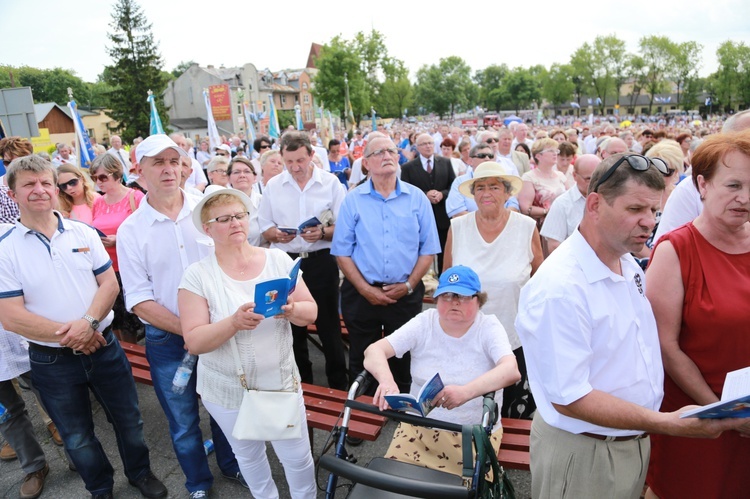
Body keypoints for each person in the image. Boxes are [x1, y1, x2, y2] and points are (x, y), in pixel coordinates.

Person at [515, 153, 748, 499]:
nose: (649, 222)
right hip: (586, 452)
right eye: (635, 210)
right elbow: (570, 397)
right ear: (594, 205)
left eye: (654, 211)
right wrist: (667, 423)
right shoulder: (559, 287)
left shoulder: (628, 265)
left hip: (626, 442)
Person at [0, 155, 167, 499]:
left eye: (46, 182)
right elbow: (11, 316)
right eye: (29, 184)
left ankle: (140, 473)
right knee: (76, 434)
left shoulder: (82, 232)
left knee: (129, 420)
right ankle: (100, 488)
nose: (40, 190)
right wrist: (75, 334)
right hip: (51, 360)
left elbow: (109, 285)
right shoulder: (5, 249)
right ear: (12, 193)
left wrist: (88, 324)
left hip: (104, 346)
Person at [117, 135, 246, 498]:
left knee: (225, 407)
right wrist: (189, 330)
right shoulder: (131, 230)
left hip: (219, 331)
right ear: (138, 171)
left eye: (174, 161)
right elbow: (139, 301)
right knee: (183, 420)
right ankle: (198, 484)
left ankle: (232, 465)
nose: (169, 169)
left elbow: (234, 259)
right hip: (168, 339)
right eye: (158, 162)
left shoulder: (206, 209)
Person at [178, 188, 317, 499]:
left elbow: (311, 312)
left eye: (239, 215)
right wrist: (233, 323)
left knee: (297, 459)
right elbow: (194, 341)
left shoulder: (278, 259)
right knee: (249, 457)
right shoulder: (197, 276)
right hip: (227, 388)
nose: (235, 223)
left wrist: (292, 311)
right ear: (207, 229)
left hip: (279, 381)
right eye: (224, 219)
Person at [645, 131, 750, 499]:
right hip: (701, 424)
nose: (746, 198)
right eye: (734, 184)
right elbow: (665, 346)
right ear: (701, 184)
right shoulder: (676, 250)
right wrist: (721, 413)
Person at [364, 265, 520, 474]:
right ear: (436, 300)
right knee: (396, 483)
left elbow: (511, 370)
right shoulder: (424, 322)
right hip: (418, 428)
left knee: (461, 490)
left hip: (471, 433)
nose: (454, 302)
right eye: (446, 295)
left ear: (478, 300)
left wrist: (466, 392)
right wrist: (386, 380)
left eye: (463, 296)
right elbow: (374, 350)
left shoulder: (488, 327)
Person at [331, 135, 440, 393]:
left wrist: (409, 285)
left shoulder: (417, 199)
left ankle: (401, 414)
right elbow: (342, 252)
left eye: (391, 151)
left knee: (403, 356)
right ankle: (360, 413)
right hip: (361, 294)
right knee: (360, 355)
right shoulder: (353, 200)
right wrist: (365, 289)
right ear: (366, 163)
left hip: (404, 294)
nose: (387, 155)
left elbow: (428, 250)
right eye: (379, 152)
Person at [444, 162, 542, 419]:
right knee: (468, 411)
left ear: (508, 193)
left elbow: (540, 283)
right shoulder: (458, 228)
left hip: (514, 337)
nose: (486, 193)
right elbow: (447, 286)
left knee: (509, 411)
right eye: (480, 187)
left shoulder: (526, 227)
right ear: (473, 194)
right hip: (466, 338)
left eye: (494, 187)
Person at [258, 132, 348, 390]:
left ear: (311, 155)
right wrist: (276, 234)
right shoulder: (274, 186)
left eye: (300, 160)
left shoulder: (330, 183)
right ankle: (301, 384)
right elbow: (265, 227)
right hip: (286, 262)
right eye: (289, 162)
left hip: (320, 260)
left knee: (328, 324)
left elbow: (343, 226)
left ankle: (338, 386)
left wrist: (322, 233)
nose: (296, 167)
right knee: (290, 323)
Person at [90, 154, 145, 343]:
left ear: (116, 174)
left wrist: (119, 240)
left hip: (130, 267)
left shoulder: (135, 196)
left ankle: (139, 365)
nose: (98, 182)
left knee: (134, 322)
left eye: (102, 177)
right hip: (107, 270)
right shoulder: (98, 201)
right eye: (94, 178)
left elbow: (146, 231)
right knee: (115, 322)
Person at [401, 133, 456, 272]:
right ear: (417, 147)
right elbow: (405, 192)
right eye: (424, 144)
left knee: (444, 249)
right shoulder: (408, 167)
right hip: (420, 217)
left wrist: (441, 194)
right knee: (421, 251)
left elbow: (453, 186)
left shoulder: (445, 163)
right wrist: (425, 195)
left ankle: (444, 277)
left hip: (442, 215)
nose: (428, 146)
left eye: (430, 143)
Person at [540, 154, 599, 253]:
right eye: (588, 179)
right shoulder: (562, 204)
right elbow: (554, 245)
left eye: (597, 178)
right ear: (575, 176)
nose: (594, 183)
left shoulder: (609, 200)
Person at [227, 157, 264, 247]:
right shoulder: (222, 205)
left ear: (254, 177)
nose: (242, 175)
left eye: (247, 171)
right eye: (236, 172)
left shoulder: (264, 202)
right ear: (228, 178)